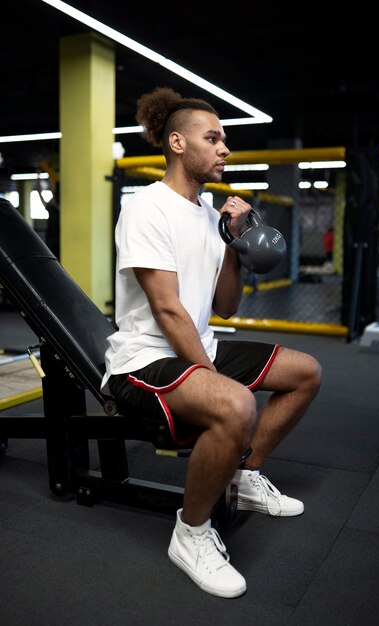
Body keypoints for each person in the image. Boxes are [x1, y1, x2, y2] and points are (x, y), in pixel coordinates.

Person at [101, 87, 322, 598]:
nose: (224, 149)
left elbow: (226, 307)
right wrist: (217, 381)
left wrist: (236, 243)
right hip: (143, 359)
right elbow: (168, 310)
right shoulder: (146, 208)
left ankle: (245, 477)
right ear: (177, 143)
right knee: (235, 403)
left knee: (306, 372)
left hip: (197, 342)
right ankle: (191, 531)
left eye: (224, 140)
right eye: (214, 138)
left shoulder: (207, 212)